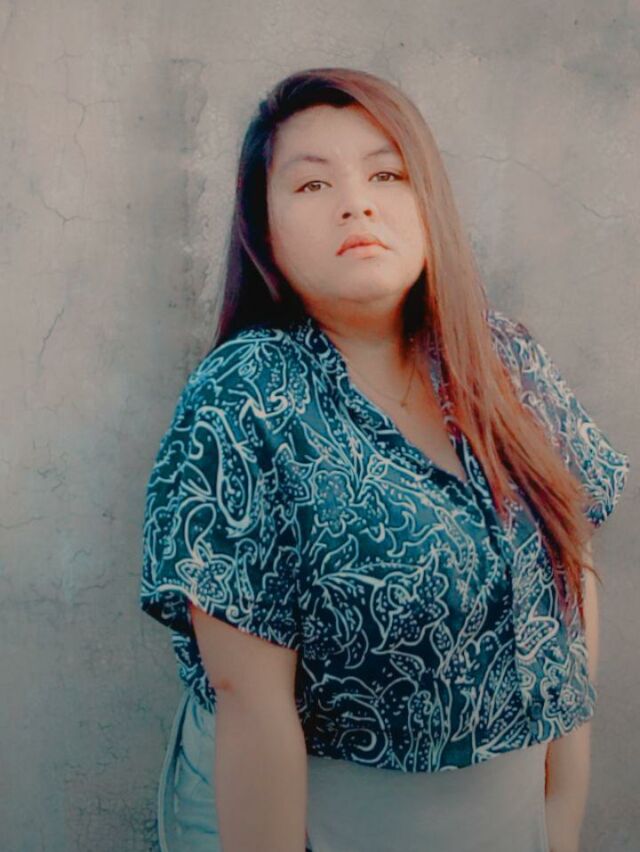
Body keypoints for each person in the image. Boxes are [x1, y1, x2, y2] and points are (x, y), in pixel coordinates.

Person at [139, 67, 630, 852]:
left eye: (387, 174)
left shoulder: (501, 357)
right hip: (325, 821)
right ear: (265, 229)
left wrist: (561, 818)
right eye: (311, 185)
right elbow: (250, 704)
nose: (356, 203)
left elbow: (573, 576)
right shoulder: (247, 396)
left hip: (509, 821)